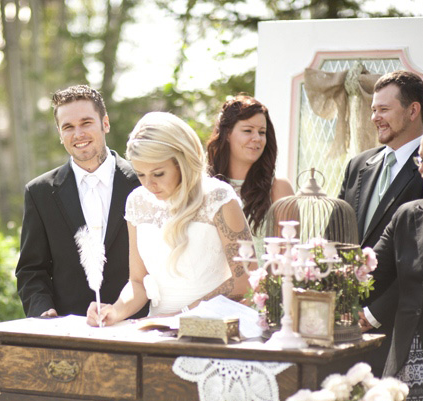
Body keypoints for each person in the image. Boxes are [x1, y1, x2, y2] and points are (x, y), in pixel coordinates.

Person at [86, 112, 254, 326]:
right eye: (141, 174)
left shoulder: (218, 198)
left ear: (181, 162)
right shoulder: (137, 202)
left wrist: (181, 316)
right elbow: (138, 283)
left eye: (158, 174)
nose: (148, 185)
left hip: (213, 327)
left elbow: (245, 281)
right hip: (157, 327)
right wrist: (115, 311)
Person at [15, 85, 148, 318]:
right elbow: (31, 270)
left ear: (105, 123)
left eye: (86, 123)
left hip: (137, 325)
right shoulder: (40, 193)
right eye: (68, 127)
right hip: (69, 331)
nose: (78, 134)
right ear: (59, 133)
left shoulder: (144, 184)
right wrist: (43, 312)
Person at [359, 113, 423, 401]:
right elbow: (371, 276)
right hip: (402, 380)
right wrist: (319, 273)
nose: (422, 170)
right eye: (419, 160)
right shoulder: (408, 216)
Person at [338, 70, 423, 376]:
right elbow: (335, 238)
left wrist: (372, 314)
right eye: (373, 109)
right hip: (344, 324)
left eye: (384, 109)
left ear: (413, 110)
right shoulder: (358, 165)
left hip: (402, 326)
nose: (375, 117)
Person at [206, 94, 294, 258]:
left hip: (260, 282)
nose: (257, 138)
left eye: (262, 132)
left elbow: (286, 258)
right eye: (248, 130)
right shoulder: (203, 187)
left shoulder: (279, 188)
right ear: (227, 134)